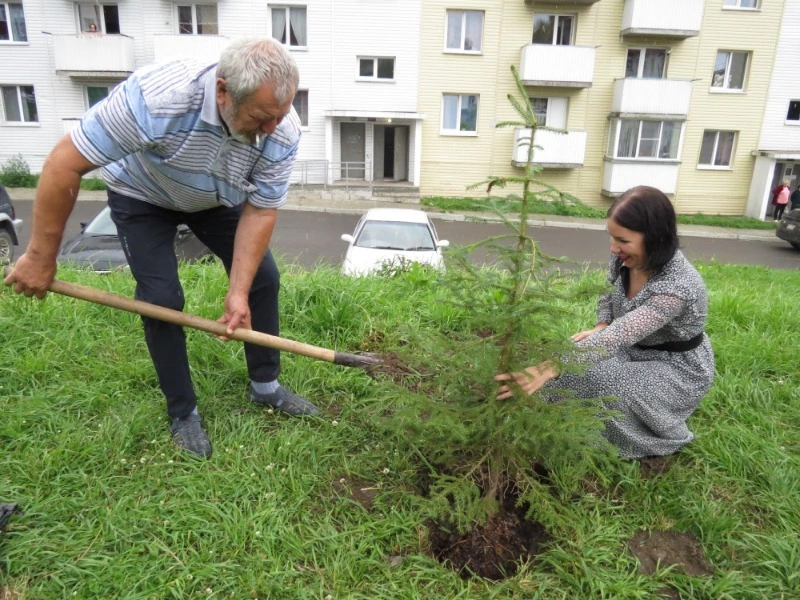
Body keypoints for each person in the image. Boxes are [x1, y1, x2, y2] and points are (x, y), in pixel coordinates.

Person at [3, 38, 319, 459]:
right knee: (161, 298)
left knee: (263, 277)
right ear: (222, 92)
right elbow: (65, 162)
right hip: (142, 194)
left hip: (215, 197)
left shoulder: (281, 129)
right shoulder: (156, 99)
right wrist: (40, 257)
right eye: (262, 117)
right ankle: (183, 412)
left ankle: (266, 386)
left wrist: (237, 292)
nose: (272, 129)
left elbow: (260, 212)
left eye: (279, 116)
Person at [495, 186, 715, 459]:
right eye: (611, 238)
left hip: (675, 367)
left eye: (622, 240)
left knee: (609, 387)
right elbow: (607, 293)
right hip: (628, 348)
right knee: (574, 363)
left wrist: (551, 366)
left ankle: (646, 440)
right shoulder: (626, 258)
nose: (613, 248)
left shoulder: (677, 286)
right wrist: (601, 325)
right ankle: (558, 419)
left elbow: (620, 334)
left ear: (655, 237)